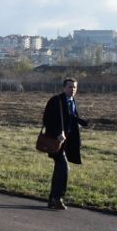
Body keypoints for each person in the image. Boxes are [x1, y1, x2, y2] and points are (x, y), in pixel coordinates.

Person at [43, 77, 88, 210]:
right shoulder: (55, 100)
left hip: (67, 142)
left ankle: (52, 199)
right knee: (64, 167)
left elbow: (71, 117)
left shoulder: (73, 101)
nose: (72, 89)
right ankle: (58, 198)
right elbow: (47, 119)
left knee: (59, 169)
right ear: (64, 88)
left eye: (74, 87)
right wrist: (57, 133)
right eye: (70, 87)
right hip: (55, 141)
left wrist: (80, 123)